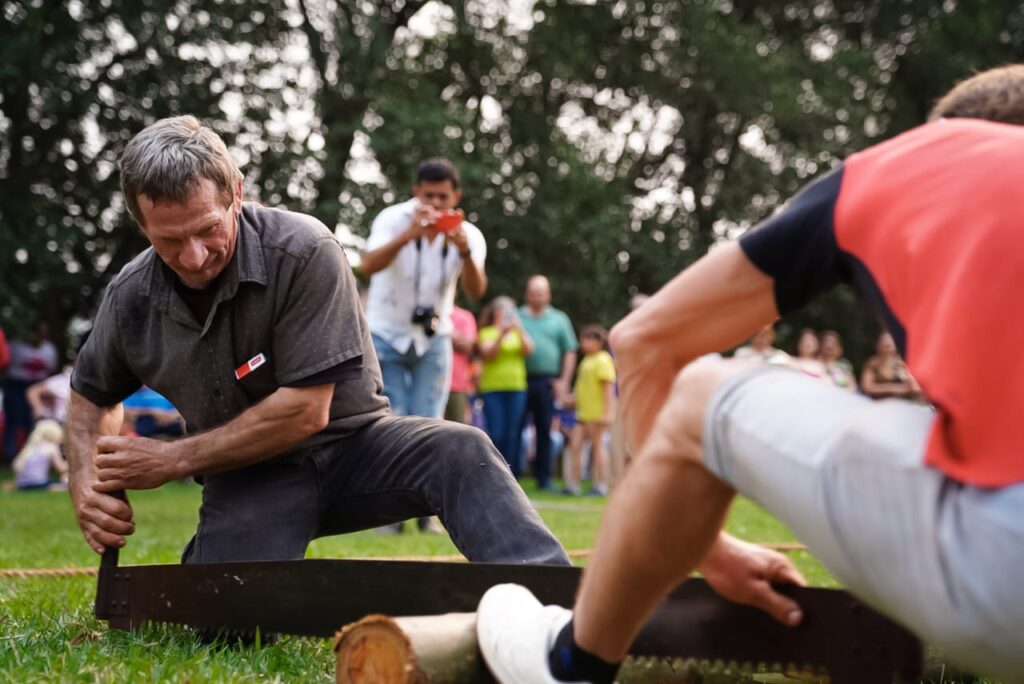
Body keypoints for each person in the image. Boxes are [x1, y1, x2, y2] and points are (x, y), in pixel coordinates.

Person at [476, 65, 1024, 683]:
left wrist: (703, 547)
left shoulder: (925, 157)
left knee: (701, 392)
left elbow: (646, 340)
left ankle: (571, 663)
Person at [66, 116, 569, 569]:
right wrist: (87, 482)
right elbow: (91, 394)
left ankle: (555, 605)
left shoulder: (304, 250)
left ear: (237, 193)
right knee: (226, 615)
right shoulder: (131, 296)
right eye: (169, 241)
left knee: (460, 448)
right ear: (142, 225)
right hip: (251, 477)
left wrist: (172, 459)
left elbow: (306, 411)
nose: (194, 256)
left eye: (207, 230)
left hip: (358, 448)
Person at [360, 158, 487, 421]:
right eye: (429, 195)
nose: (436, 204)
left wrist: (464, 251)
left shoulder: (469, 235)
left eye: (443, 196)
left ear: (456, 196)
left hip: (435, 336)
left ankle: (419, 463)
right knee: (388, 419)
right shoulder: (392, 219)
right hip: (385, 332)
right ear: (416, 191)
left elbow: (476, 291)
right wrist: (408, 235)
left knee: (429, 422)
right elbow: (368, 266)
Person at [519, 275, 578, 492]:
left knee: (545, 429)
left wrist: (564, 380)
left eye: (541, 292)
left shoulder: (559, 319)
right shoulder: (517, 316)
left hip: (548, 382)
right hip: (519, 381)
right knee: (516, 428)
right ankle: (512, 475)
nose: (537, 297)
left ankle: (544, 478)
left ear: (548, 295)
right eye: (533, 293)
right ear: (527, 294)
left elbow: (569, 350)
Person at [477, 296, 533, 475]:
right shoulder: (486, 332)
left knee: (513, 433)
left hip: (516, 388)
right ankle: (495, 472)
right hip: (493, 389)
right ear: (496, 312)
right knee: (497, 432)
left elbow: (529, 350)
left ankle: (512, 474)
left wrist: (519, 328)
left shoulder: (518, 333)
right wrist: (502, 333)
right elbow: (488, 354)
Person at [563, 325, 615, 497]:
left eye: (587, 339)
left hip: (596, 413)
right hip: (582, 414)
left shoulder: (603, 359)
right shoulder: (586, 360)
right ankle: (574, 484)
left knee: (598, 447)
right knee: (575, 445)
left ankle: (600, 485)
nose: (583, 343)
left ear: (598, 342)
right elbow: (582, 386)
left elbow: (608, 387)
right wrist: (572, 399)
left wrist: (607, 412)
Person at [3, 323, 59, 462]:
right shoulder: (16, 346)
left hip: (37, 386)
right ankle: (9, 456)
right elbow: (5, 364)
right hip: (16, 385)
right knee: (13, 420)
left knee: (33, 420)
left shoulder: (49, 349)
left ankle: (32, 456)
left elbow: (51, 370)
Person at [861, 331, 920, 400]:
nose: (887, 342)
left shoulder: (902, 362)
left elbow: (915, 387)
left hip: (903, 401)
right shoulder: (873, 363)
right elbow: (867, 387)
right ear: (877, 345)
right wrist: (894, 388)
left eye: (890, 340)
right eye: (883, 340)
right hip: (879, 402)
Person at [443, 305, 477, 424]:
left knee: (457, 429)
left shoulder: (464, 316)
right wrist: (453, 337)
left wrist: (441, 334)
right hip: (429, 384)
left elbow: (467, 346)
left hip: (457, 385)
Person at [12, 419, 67, 491]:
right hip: (39, 484)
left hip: (22, 485)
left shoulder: (31, 447)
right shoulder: (51, 447)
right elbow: (61, 468)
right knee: (66, 479)